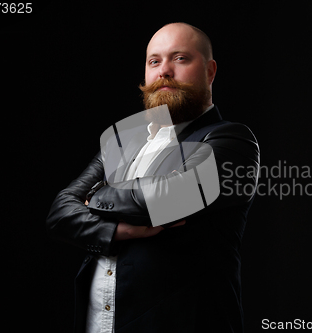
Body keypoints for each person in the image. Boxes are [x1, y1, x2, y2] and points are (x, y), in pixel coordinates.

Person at [47, 22, 260, 333]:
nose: (165, 71)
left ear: (210, 71)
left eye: (181, 58)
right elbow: (60, 213)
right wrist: (122, 231)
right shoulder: (123, 141)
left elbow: (164, 198)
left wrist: (96, 196)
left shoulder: (233, 141)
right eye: (155, 61)